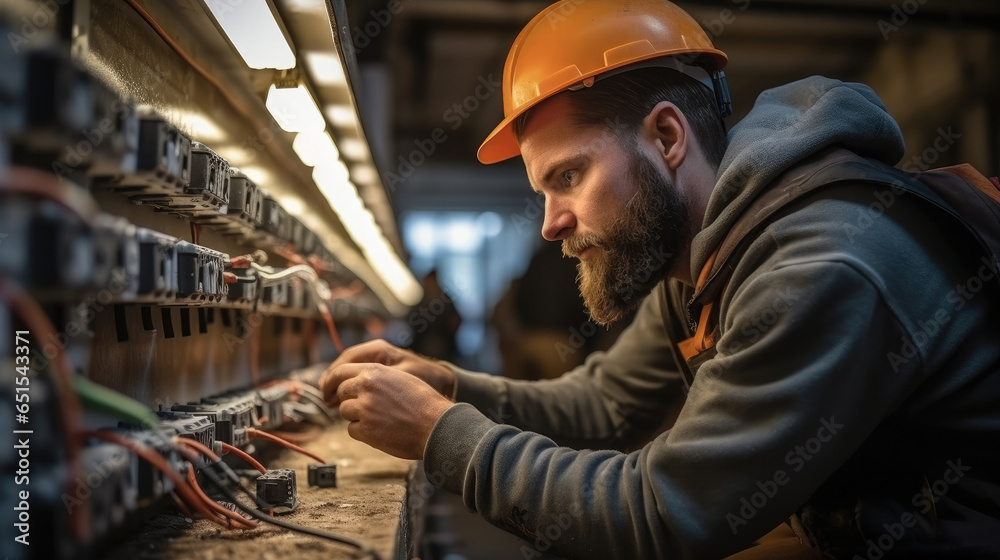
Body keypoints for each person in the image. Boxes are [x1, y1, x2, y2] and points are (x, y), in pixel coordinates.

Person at [321, 1, 1000, 558]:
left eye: (569, 176)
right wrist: (448, 387)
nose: (550, 225)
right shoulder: (702, 257)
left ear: (667, 138)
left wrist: (440, 433)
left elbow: (667, 515)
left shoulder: (820, 265)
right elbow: (605, 406)